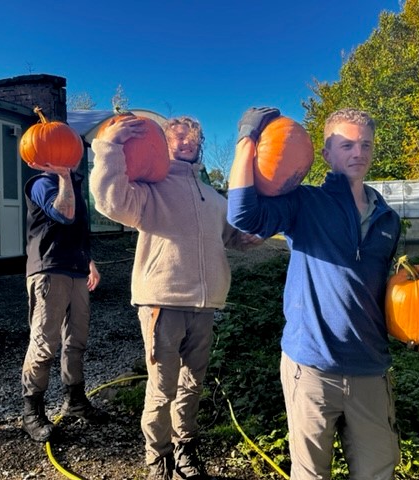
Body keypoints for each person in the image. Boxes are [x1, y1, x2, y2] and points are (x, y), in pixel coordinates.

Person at [227, 107, 402, 479]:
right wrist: (247, 138)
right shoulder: (304, 204)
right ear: (325, 154)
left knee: (377, 472)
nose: (359, 152)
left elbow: (384, 293)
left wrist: (414, 328)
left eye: (366, 144)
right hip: (311, 368)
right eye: (347, 144)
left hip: (371, 369)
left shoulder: (388, 218)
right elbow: (242, 215)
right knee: (310, 475)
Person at [89, 115, 259, 480]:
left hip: (205, 305)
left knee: (192, 384)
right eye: (177, 138)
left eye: (191, 138)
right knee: (162, 386)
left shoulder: (214, 198)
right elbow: (110, 202)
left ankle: (185, 449)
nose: (185, 143)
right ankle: (158, 457)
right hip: (162, 302)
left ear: (199, 144)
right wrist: (108, 147)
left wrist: (252, 236)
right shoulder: (150, 188)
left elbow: (233, 237)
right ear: (164, 144)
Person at [21, 163, 109, 443]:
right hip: (49, 271)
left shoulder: (72, 185)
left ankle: (75, 401)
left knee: (76, 341)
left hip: (77, 271)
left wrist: (90, 262)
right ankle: (31, 412)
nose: (71, 156)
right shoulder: (42, 184)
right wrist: (62, 175)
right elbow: (63, 213)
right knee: (44, 343)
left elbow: (76, 233)